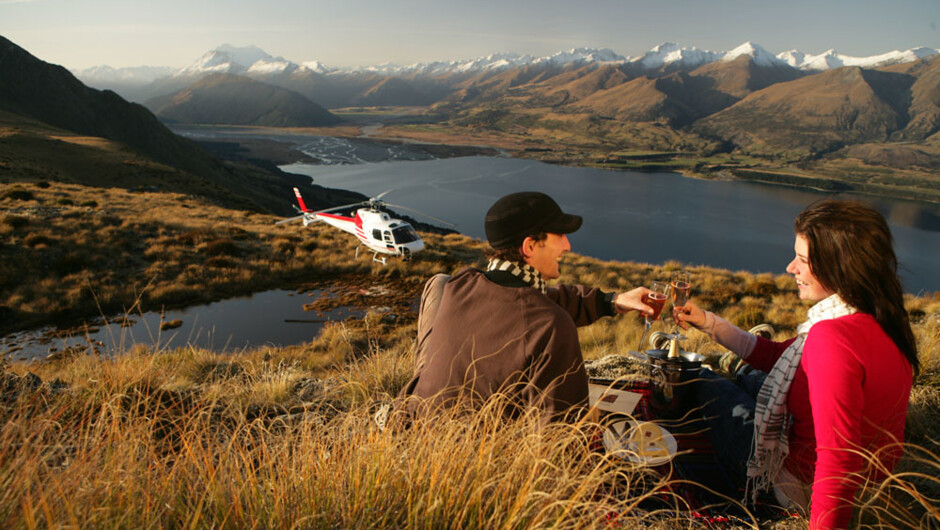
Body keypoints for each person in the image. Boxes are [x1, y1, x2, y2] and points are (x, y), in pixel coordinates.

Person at [675, 199, 918, 529]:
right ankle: (739, 373)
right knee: (753, 375)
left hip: (796, 485)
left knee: (704, 380)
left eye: (803, 260)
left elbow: (838, 457)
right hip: (872, 482)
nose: (791, 268)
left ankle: (724, 380)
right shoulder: (880, 316)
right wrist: (710, 323)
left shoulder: (831, 339)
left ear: (840, 266)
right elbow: (776, 358)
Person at [396, 191, 654, 424]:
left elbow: (531, 302)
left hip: (416, 416)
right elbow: (559, 433)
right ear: (529, 246)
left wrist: (610, 302)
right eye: (560, 235)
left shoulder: (460, 285)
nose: (567, 245)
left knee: (439, 282)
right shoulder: (552, 325)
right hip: (480, 456)